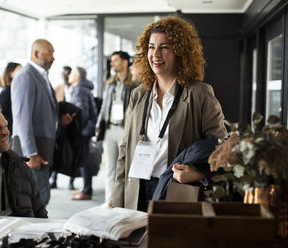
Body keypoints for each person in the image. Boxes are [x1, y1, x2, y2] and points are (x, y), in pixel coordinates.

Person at [112, 16, 227, 211]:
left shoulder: (199, 93)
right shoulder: (138, 94)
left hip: (175, 191)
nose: (155, 54)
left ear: (180, 52)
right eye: (151, 47)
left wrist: (198, 174)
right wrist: (117, 204)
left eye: (164, 47)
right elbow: (124, 151)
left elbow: (222, 150)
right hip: (137, 191)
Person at [11, 39, 73, 205]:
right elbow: (22, 118)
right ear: (36, 54)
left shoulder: (41, 76)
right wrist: (30, 153)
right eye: (49, 53)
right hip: (32, 151)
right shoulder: (25, 76)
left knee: (40, 196)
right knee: (39, 197)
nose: (53, 58)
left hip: (43, 147)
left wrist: (59, 121)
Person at [95, 51, 139, 208]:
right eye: (112, 61)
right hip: (109, 128)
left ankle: (123, 201)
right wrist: (99, 124)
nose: (112, 63)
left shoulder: (134, 83)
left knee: (125, 167)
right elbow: (104, 107)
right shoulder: (110, 82)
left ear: (125, 62)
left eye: (115, 60)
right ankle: (109, 201)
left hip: (125, 129)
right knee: (110, 168)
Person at [68, 67, 98, 200]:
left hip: (82, 130)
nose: (69, 75)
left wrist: (77, 130)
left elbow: (82, 112)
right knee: (84, 159)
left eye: (72, 73)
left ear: (77, 76)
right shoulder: (81, 88)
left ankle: (87, 191)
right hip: (85, 129)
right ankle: (86, 188)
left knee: (84, 160)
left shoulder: (79, 89)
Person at [50, 65, 72, 189]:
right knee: (58, 151)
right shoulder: (57, 89)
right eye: (63, 73)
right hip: (60, 126)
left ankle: (71, 181)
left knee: (71, 152)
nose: (65, 75)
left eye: (68, 73)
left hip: (72, 125)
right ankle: (54, 179)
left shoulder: (75, 88)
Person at [0, 62, 22, 136]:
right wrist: (10, 124)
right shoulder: (7, 91)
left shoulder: (14, 90)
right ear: (11, 74)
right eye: (19, 70)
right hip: (10, 132)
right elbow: (0, 111)